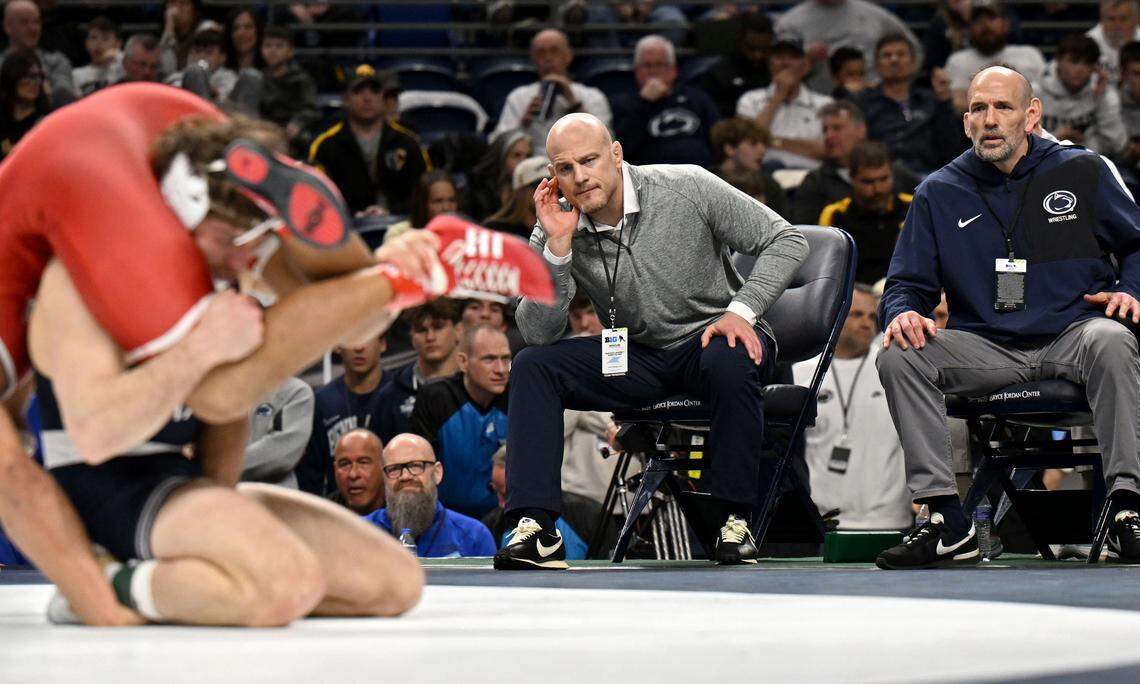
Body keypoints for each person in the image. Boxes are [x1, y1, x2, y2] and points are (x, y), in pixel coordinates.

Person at [0, 83, 555, 626]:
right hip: (105, 495)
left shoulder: (215, 277)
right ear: (173, 220)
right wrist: (196, 352)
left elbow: (225, 419)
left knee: (392, 583)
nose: (241, 262)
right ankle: (110, 584)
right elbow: (95, 432)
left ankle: (395, 271)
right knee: (279, 582)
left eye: (253, 241)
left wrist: (220, 513)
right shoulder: (72, 284)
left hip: (178, 484)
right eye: (227, 241)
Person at [495, 112, 808, 570]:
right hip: (641, 356)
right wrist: (558, 251)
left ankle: (733, 520)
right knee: (532, 366)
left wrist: (741, 311)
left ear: (616, 155)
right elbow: (539, 334)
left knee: (730, 356)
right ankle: (538, 530)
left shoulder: (688, 185)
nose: (580, 177)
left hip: (712, 340)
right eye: (565, 168)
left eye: (589, 160)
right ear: (552, 175)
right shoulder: (556, 221)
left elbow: (787, 239)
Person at [874, 66, 1140, 570]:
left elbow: (1136, 245)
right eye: (978, 109)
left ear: (1031, 114)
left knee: (1112, 337)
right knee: (899, 353)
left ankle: (1127, 508)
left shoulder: (1083, 170)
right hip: (987, 347)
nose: (990, 120)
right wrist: (904, 311)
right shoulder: (939, 190)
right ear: (965, 121)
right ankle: (948, 521)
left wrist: (1131, 290)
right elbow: (907, 282)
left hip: (1074, 335)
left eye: (1003, 107)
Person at [793, 284, 911, 530]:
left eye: (872, 316)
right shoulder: (801, 372)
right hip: (823, 520)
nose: (867, 323)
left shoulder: (894, 369)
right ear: (835, 316)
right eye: (857, 314)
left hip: (890, 519)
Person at [409, 324, 509, 520]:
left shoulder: (519, 396)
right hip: (446, 520)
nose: (501, 369)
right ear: (463, 362)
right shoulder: (435, 398)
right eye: (489, 359)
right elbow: (418, 468)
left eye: (505, 359)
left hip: (506, 518)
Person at [309, 64, 431, 216]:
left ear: (383, 98)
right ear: (345, 99)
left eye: (374, 91)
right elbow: (316, 197)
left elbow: (424, 194)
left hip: (401, 226)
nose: (367, 98)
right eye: (358, 91)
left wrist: (392, 212)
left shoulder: (408, 142)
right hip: (346, 230)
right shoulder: (326, 146)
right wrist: (354, 214)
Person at [363, 433, 496, 557]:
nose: (405, 476)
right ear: (384, 478)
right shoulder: (358, 534)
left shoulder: (474, 537)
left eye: (416, 465)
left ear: (437, 473)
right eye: (394, 469)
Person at [853, 33, 967, 175]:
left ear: (913, 63)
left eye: (901, 54)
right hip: (881, 175)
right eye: (887, 55)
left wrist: (944, 102)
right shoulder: (862, 102)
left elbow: (951, 147)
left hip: (929, 174)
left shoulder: (932, 100)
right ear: (876, 65)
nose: (894, 60)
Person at [792, 101, 919, 225]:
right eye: (825, 130)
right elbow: (806, 232)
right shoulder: (815, 183)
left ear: (861, 129)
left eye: (837, 128)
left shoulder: (898, 175)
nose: (829, 136)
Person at [491, 29, 611, 156]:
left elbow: (608, 141)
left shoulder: (592, 96)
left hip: (580, 162)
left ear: (568, 56)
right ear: (533, 59)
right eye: (541, 53)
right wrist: (522, 124)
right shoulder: (519, 97)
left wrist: (574, 103)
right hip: (531, 164)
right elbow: (497, 145)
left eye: (554, 51)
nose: (548, 58)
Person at [299, 333, 390, 495]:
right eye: (352, 338)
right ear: (337, 346)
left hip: (392, 510)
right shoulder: (322, 402)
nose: (359, 348)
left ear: (382, 343)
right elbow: (311, 474)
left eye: (367, 337)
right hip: (339, 509)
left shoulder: (400, 396)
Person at [611, 34, 720, 167]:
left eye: (660, 65)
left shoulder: (697, 97)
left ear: (673, 70)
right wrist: (644, 102)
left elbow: (718, 136)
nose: (653, 71)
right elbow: (624, 148)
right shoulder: (623, 104)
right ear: (636, 71)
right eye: (646, 65)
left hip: (702, 172)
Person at [773, 0, 921, 94]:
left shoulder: (875, 16)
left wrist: (896, 88)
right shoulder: (790, 22)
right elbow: (778, 69)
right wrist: (807, 58)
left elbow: (914, 50)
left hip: (876, 99)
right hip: (817, 101)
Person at [818, 141, 912, 283]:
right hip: (856, 294)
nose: (877, 189)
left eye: (883, 179)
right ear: (851, 178)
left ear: (893, 174)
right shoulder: (835, 215)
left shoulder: (914, 207)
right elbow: (827, 272)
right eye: (868, 182)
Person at [735, 35, 832, 169]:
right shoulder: (749, 100)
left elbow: (828, 150)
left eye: (794, 57)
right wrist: (778, 96)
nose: (786, 63)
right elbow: (746, 143)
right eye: (779, 57)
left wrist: (774, 141)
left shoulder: (825, 104)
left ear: (806, 66)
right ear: (770, 64)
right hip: (763, 175)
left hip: (810, 176)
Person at [374, 299, 462, 443]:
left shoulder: (477, 387)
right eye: (421, 330)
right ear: (411, 336)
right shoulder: (391, 396)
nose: (430, 337)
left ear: (458, 330)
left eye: (438, 327)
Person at [944, 0, 1046, 113]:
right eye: (978, 21)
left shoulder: (1029, 55)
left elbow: (1044, 100)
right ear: (969, 28)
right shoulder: (958, 62)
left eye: (992, 18)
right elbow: (957, 107)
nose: (985, 25)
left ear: (1006, 24)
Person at [1034, 33, 1127, 156]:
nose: (1080, 69)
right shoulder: (1034, 92)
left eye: (1087, 63)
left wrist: (1101, 99)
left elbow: (1117, 145)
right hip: (1042, 163)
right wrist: (1056, 140)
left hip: (1092, 163)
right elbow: (1021, 143)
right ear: (1058, 60)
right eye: (1074, 61)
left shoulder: (1104, 94)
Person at [709, 117, 791, 218]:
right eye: (753, 144)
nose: (762, 151)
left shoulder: (769, 185)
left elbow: (785, 227)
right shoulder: (705, 182)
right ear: (730, 149)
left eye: (764, 145)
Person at [698, 10, 773, 119]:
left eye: (765, 49)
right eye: (751, 48)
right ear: (738, 42)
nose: (758, 55)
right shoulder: (717, 75)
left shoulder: (776, 73)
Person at [241, 377, 313, 488]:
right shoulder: (218, 392)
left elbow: (284, 454)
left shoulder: (296, 390)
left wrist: (220, 466)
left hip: (275, 495)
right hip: (224, 494)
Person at [1, 0, 75, 104]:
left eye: (37, 22)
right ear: (7, 27)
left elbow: (64, 95)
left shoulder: (57, 61)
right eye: (24, 22)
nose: (33, 28)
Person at [257, 26, 317, 150]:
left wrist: (297, 123)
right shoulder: (258, 78)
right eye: (268, 46)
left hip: (291, 134)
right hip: (263, 133)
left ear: (290, 51)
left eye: (279, 46)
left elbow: (310, 109)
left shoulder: (301, 79)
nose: (273, 51)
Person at [468, 130, 533, 227]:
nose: (524, 162)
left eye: (528, 156)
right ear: (502, 157)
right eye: (516, 155)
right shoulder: (478, 189)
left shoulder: (533, 189)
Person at [383, 170, 460, 244]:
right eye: (438, 201)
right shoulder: (399, 234)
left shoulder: (467, 233)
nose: (446, 208)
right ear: (422, 205)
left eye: (452, 200)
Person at [0, 48, 50, 160]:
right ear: (12, 77)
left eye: (38, 76)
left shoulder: (46, 120)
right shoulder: (2, 117)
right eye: (29, 76)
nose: (35, 82)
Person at [484, 155, 548, 239]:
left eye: (553, 186)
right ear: (520, 191)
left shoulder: (561, 228)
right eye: (539, 186)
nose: (548, 191)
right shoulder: (495, 230)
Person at [330, 428, 386, 515]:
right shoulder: (323, 515)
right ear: (335, 470)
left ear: (383, 465)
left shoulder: (402, 514)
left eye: (363, 462)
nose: (353, 474)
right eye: (345, 464)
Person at [1088, 0, 1140, 82]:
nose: (1117, 26)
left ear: (1136, 20)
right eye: (1111, 19)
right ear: (1102, 19)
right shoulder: (1088, 44)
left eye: (1123, 19)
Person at [72, 16, 122, 97]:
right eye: (93, 38)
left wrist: (116, 54)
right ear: (86, 43)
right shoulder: (77, 74)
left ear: (118, 44)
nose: (98, 43)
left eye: (105, 38)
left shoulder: (122, 68)